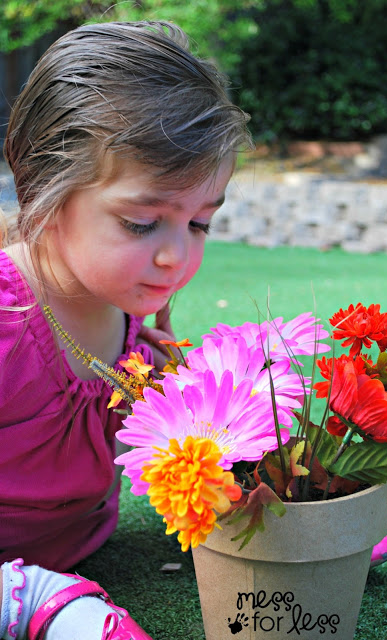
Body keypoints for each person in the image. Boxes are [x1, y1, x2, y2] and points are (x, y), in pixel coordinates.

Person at [0, 20, 251, 640]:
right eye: (143, 223)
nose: (176, 257)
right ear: (43, 193)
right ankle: (23, 600)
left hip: (87, 544)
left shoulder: (129, 312)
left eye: (199, 224)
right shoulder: (9, 324)